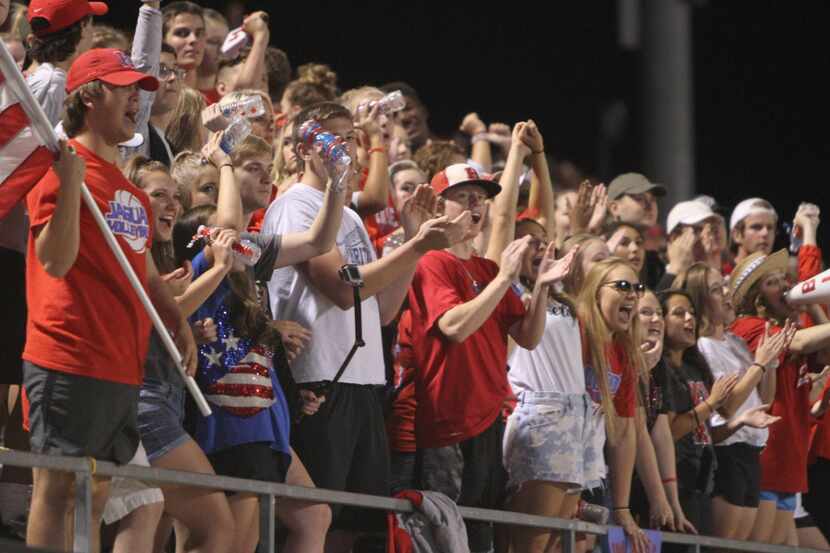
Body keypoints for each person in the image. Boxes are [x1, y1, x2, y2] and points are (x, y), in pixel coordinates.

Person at [263, 101, 468, 553]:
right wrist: (413, 245)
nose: (346, 150)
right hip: (320, 379)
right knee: (312, 518)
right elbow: (341, 288)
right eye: (332, 139)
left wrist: (413, 249)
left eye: (350, 138)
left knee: (354, 527)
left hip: (362, 381)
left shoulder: (351, 217)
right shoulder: (294, 206)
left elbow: (382, 311)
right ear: (303, 149)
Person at [23, 48, 196, 552]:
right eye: (126, 89)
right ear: (91, 94)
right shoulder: (58, 168)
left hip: (122, 365)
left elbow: (142, 270)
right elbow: (55, 260)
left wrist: (175, 321)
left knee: (96, 497)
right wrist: (72, 184)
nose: (138, 102)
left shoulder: (132, 192)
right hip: (70, 354)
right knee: (57, 492)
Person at [407, 155, 569, 552]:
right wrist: (504, 278)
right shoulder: (432, 261)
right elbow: (453, 327)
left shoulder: (484, 268)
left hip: (488, 421)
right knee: (448, 536)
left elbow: (528, 337)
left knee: (481, 536)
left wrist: (542, 287)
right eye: (462, 197)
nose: (474, 206)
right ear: (438, 206)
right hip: (448, 423)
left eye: (480, 198)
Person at [676, 262, 794, 544]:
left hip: (751, 448)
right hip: (726, 450)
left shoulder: (736, 342)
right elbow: (725, 407)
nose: (727, 294)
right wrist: (759, 365)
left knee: (741, 546)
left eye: (725, 285)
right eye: (717, 290)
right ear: (701, 301)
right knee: (723, 543)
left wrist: (771, 362)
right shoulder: (703, 346)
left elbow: (765, 399)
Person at [729, 249, 830, 545]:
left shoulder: (785, 329)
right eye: (773, 283)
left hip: (787, 465)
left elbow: (825, 351)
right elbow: (800, 342)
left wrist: (810, 303)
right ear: (756, 299)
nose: (786, 287)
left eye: (785, 280)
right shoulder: (748, 327)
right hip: (766, 464)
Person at [606, 172, 667, 288]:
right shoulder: (599, 248)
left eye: (653, 199)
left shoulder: (654, 263)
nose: (650, 206)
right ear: (614, 208)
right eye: (640, 199)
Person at [658, 200, 720, 290]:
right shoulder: (655, 271)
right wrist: (676, 269)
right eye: (698, 229)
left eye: (711, 230)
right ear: (675, 237)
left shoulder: (718, 272)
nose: (707, 235)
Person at [162, 1, 204, 92]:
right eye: (182, 33)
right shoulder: (147, 99)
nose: (193, 39)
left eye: (199, 33)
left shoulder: (220, 100)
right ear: (162, 40)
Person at [729, 198, 778, 265]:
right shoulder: (720, 274)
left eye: (770, 228)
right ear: (737, 235)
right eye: (756, 227)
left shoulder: (783, 274)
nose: (765, 233)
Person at [196, 7, 228, 104]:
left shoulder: (231, 91)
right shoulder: (177, 92)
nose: (223, 49)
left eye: (226, 43)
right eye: (214, 42)